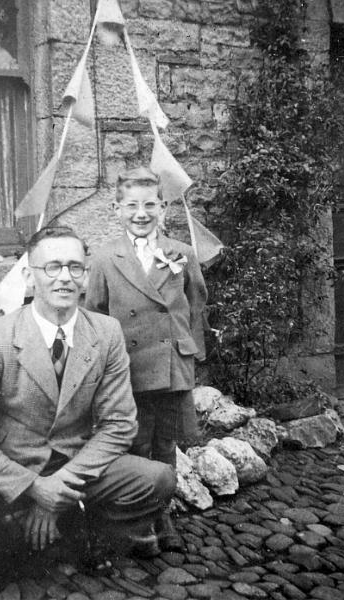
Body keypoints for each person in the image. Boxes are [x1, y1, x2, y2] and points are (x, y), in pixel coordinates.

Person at [0, 226, 175, 597]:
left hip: (73, 464)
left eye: (74, 267)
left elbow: (119, 425)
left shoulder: (106, 333)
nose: (64, 278)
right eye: (52, 267)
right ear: (29, 275)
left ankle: (84, 541)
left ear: (86, 275)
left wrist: (60, 492)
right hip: (8, 467)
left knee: (156, 479)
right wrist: (36, 488)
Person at [86, 167, 207, 552]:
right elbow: (95, 314)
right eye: (132, 206)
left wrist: (192, 357)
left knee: (166, 445)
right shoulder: (105, 259)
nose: (142, 213)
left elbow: (196, 306)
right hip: (129, 370)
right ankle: (141, 524)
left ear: (163, 207)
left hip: (171, 367)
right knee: (135, 445)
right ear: (117, 209)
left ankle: (164, 518)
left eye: (150, 204)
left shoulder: (181, 254)